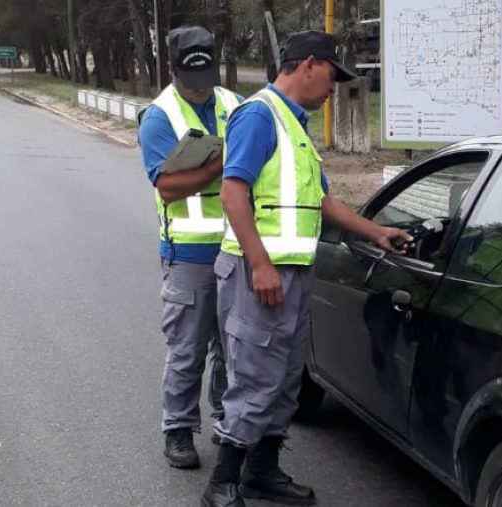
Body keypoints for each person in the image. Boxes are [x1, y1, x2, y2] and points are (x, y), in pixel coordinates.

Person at [200, 31, 412, 507]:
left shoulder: (295, 126)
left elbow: (321, 201)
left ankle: (263, 471)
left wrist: (375, 232)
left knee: (285, 376)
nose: (334, 87)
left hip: (292, 273)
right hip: (260, 273)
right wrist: (260, 264)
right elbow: (234, 194)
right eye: (333, 76)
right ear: (309, 65)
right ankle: (223, 482)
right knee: (255, 375)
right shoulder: (259, 116)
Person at [138, 25, 244, 470]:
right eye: (190, 74)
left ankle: (225, 421)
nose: (200, 84)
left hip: (235, 249)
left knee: (231, 348)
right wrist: (223, 165)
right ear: (172, 68)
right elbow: (168, 187)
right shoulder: (160, 115)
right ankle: (178, 429)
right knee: (187, 349)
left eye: (206, 72)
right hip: (187, 255)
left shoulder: (235, 104)